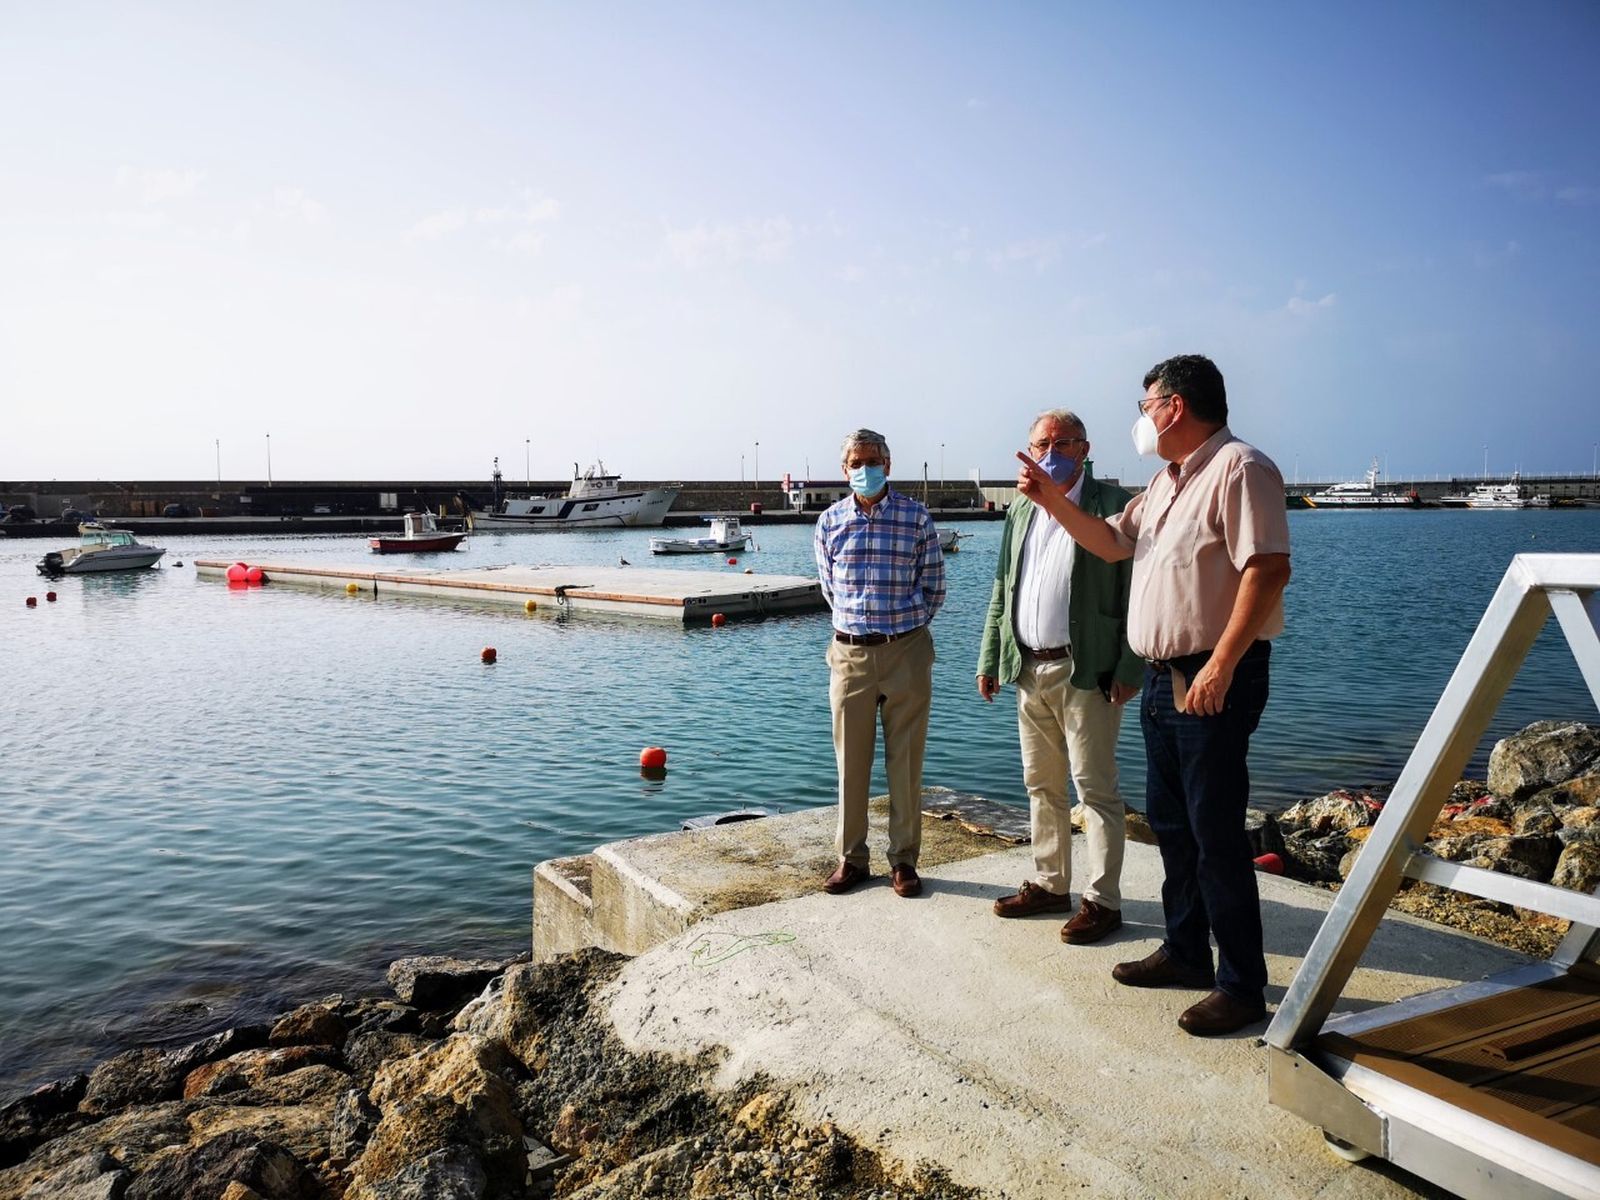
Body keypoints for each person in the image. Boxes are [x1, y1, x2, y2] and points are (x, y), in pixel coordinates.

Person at [1017, 354, 1291, 1037]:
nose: (1141, 419)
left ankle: (1241, 986)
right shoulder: (1166, 482)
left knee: (1216, 833)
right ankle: (1187, 951)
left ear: (1174, 406)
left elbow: (1267, 569)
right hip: (1167, 681)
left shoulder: (1240, 468)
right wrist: (1052, 501)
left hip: (1212, 677)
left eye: (1146, 406)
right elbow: (1110, 543)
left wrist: (1221, 665)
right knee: (1173, 827)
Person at [976, 409, 1142, 945]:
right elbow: (1004, 586)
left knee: (1094, 789)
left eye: (1063, 443)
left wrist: (1130, 665)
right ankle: (1051, 884)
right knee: (1041, 784)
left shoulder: (1113, 507)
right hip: (1027, 665)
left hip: (1086, 668)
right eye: (1041, 443)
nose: (1051, 452)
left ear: (1085, 448)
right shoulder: (1022, 508)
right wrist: (989, 656)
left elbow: (1137, 592)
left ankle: (1103, 900)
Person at [814, 428, 946, 898]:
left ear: (888, 465)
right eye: (856, 462)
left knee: (905, 761)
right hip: (849, 652)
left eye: (873, 460)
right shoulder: (829, 522)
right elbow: (829, 588)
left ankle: (904, 860)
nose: (864, 469)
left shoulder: (916, 517)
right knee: (850, 763)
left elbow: (934, 586)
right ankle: (851, 858)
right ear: (844, 468)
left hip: (906, 648)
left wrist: (902, 629)